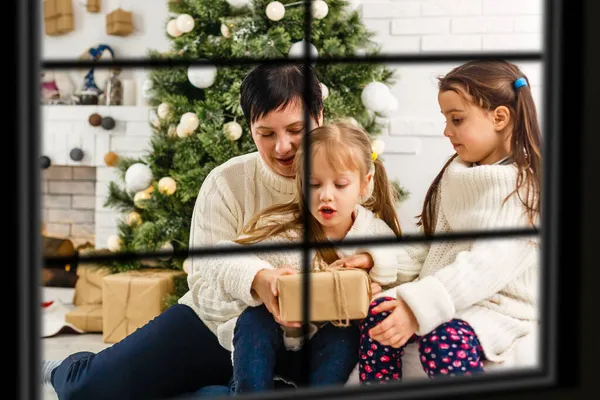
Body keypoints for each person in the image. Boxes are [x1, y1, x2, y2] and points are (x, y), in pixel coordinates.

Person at [41, 63, 339, 400]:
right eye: (266, 134)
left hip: (294, 342)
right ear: (250, 128)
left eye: (296, 130)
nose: (283, 147)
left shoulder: (350, 179)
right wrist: (258, 281)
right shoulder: (227, 180)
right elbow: (204, 272)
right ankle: (67, 369)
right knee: (88, 390)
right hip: (210, 323)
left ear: (320, 116)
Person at [350, 60, 541, 383]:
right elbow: (432, 248)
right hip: (445, 294)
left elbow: (485, 267)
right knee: (377, 315)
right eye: (446, 120)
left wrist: (417, 308)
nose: (446, 131)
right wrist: (375, 260)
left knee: (443, 342)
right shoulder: (458, 172)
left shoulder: (522, 189)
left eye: (457, 120)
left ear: (499, 118)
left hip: (497, 305)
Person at [186, 121, 402, 394]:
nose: (326, 195)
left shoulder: (374, 233)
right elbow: (216, 258)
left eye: (340, 184)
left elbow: (412, 261)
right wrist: (259, 278)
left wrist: (373, 261)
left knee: (345, 332)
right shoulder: (285, 231)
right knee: (255, 319)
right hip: (273, 353)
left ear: (364, 183)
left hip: (326, 356)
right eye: (313, 184)